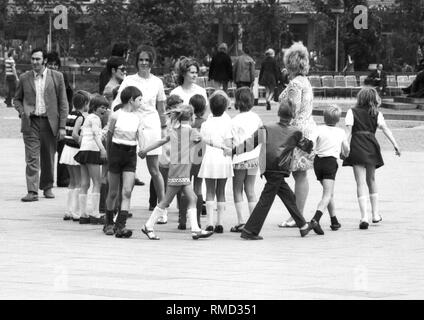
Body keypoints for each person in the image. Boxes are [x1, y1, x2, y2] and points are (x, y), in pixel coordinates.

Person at [233, 100, 319, 240]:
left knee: (289, 197)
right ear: (293, 115)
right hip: (280, 168)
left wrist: (233, 151)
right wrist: (314, 138)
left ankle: (303, 226)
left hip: (267, 167)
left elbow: (250, 143)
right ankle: (249, 230)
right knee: (266, 200)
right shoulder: (295, 132)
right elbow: (307, 147)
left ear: (279, 113)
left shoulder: (266, 127)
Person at [138, 104, 215, 240]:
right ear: (191, 117)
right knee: (166, 201)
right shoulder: (192, 131)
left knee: (192, 198)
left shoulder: (174, 130)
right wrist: (224, 146)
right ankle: (148, 225)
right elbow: (207, 141)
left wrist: (145, 150)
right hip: (181, 171)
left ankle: (195, 229)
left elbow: (160, 141)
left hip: (176, 169)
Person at [112, 45, 167, 218]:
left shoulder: (157, 82)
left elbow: (161, 108)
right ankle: (121, 208)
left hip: (151, 125)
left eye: (147, 60)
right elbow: (117, 102)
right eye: (141, 59)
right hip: (130, 124)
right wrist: (112, 119)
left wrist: (164, 129)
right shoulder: (129, 80)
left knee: (154, 169)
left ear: (152, 62)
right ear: (136, 61)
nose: (144, 63)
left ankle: (162, 207)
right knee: (124, 167)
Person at [14, 48, 69, 202]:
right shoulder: (25, 78)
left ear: (44, 61)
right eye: (32, 59)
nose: (34, 62)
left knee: (48, 156)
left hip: (49, 122)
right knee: (31, 158)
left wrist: (62, 126)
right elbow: (16, 99)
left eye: (38, 59)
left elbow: (63, 103)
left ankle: (47, 187)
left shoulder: (57, 77)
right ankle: (32, 191)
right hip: (31, 122)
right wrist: (22, 111)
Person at [343, 87, 401, 229]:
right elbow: (385, 129)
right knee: (371, 179)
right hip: (371, 146)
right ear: (374, 99)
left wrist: (344, 147)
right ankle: (375, 214)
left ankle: (364, 217)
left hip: (356, 146)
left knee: (360, 182)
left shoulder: (352, 112)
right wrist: (395, 144)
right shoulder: (377, 114)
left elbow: (347, 132)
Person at [278, 42, 317, 228]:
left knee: (299, 175)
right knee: (301, 175)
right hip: (308, 130)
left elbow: (292, 110)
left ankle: (297, 215)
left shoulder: (295, 84)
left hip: (297, 133)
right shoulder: (305, 81)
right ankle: (297, 214)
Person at [103, 86, 145, 237]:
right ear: (131, 100)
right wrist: (108, 154)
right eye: (139, 99)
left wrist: (143, 148)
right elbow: (109, 135)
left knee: (127, 191)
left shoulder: (138, 117)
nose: (141, 102)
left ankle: (121, 225)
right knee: (113, 191)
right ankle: (108, 222)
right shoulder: (115, 115)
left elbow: (140, 134)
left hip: (130, 154)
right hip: (116, 152)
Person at [310, 105, 350, 234]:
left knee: (329, 192)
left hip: (318, 162)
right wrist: (344, 155)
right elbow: (347, 149)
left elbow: (311, 142)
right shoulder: (341, 132)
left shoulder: (318, 128)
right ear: (338, 119)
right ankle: (315, 219)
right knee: (327, 195)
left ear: (324, 117)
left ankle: (334, 220)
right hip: (330, 163)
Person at [198, 90, 234, 233]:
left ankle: (210, 223)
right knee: (221, 191)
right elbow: (229, 143)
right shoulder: (227, 122)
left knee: (210, 190)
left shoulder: (206, 123)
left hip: (210, 158)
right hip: (223, 158)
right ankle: (220, 222)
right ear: (225, 107)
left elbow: (202, 141)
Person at [230, 87, 262, 232]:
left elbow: (231, 141)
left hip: (239, 158)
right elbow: (262, 135)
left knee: (237, 189)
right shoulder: (256, 117)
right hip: (254, 157)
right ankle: (253, 221)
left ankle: (241, 221)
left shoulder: (234, 120)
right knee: (250, 189)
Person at [74, 94, 108, 224]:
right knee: (97, 183)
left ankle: (83, 214)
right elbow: (95, 134)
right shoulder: (95, 119)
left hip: (83, 151)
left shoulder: (87, 118)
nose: (104, 110)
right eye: (102, 107)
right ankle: (95, 214)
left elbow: (81, 136)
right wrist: (102, 149)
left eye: (105, 108)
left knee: (84, 183)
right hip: (92, 151)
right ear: (94, 107)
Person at [177, 94, 208, 230]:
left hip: (186, 159)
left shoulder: (187, 123)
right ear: (204, 108)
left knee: (184, 188)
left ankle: (182, 220)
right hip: (200, 158)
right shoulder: (206, 123)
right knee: (198, 188)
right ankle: (197, 220)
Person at [59, 91, 90, 221]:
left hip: (67, 149)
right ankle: (76, 212)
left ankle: (68, 210)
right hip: (75, 150)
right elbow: (75, 134)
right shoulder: (80, 117)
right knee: (78, 181)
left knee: (72, 181)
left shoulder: (70, 114)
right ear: (85, 104)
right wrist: (83, 142)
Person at [46, 51, 74, 188]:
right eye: (50, 64)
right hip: (47, 119)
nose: (53, 67)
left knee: (63, 148)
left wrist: (67, 116)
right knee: (48, 152)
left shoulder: (62, 77)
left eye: (55, 65)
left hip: (62, 117)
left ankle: (63, 179)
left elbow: (68, 98)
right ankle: (47, 180)